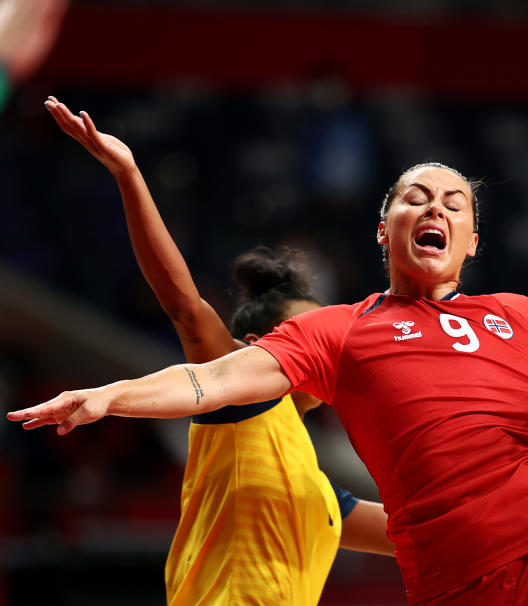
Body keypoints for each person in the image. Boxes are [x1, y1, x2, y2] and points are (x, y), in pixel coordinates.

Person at [11, 102, 528, 605]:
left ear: (474, 241)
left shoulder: (317, 489)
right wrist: (111, 397)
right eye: (415, 197)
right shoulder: (309, 363)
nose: (434, 207)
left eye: (454, 203)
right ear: (383, 228)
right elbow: (202, 362)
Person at [42, 97, 394, 605]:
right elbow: (184, 306)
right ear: (252, 350)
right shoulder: (246, 404)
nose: (324, 345)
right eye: (304, 333)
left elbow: (428, 534)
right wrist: (129, 176)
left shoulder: (319, 493)